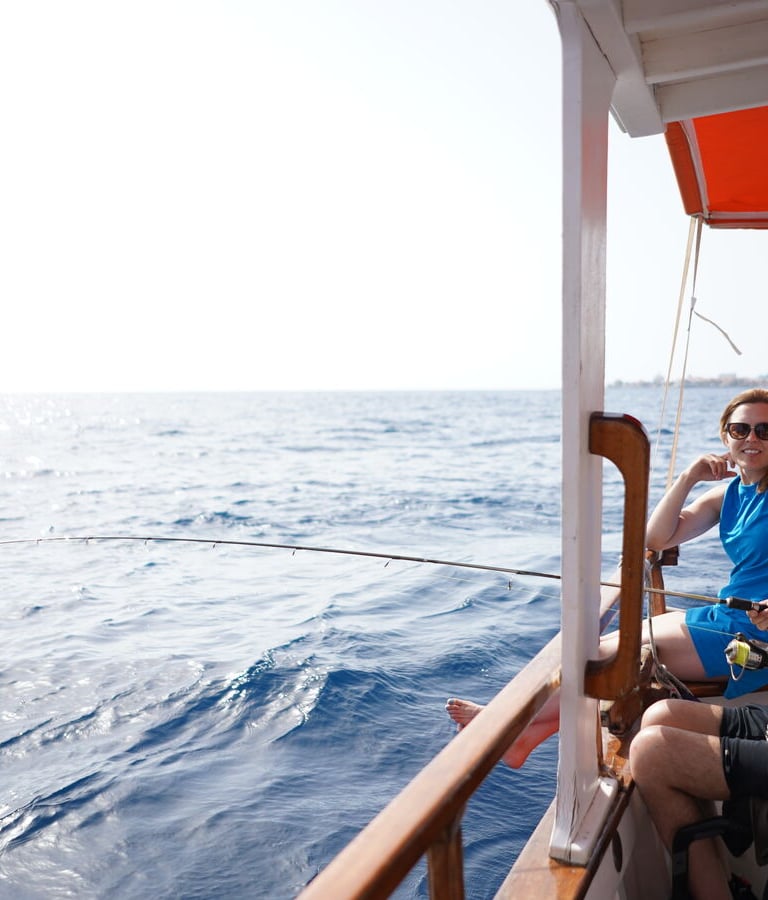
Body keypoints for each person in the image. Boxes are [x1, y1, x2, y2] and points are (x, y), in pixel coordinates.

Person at [446, 388, 768, 767]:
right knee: (596, 645)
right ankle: (527, 734)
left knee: (601, 654)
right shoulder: (729, 494)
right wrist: (687, 477)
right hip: (725, 616)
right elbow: (656, 537)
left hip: (754, 632)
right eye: (740, 429)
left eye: (764, 430)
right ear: (724, 436)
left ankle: (507, 726)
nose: (751, 438)